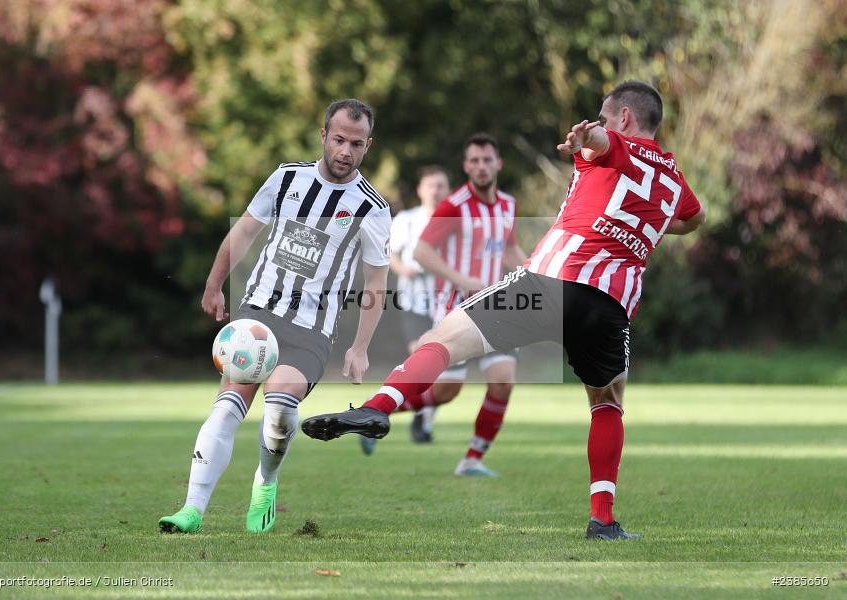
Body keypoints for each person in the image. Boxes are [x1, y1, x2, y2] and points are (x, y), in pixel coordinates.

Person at [302, 81, 706, 540]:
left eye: (605, 114)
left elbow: (602, 142)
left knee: (441, 341)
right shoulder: (673, 177)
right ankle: (603, 520)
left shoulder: (612, 143)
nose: (602, 121)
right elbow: (695, 219)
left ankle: (379, 406)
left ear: (626, 119)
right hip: (611, 304)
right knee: (608, 404)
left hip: (553, 280)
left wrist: (584, 138)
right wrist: (649, 227)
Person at [159, 98, 391, 534]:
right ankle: (191, 509)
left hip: (311, 330)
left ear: (368, 146)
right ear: (323, 135)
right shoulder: (287, 179)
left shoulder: (372, 208)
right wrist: (213, 284)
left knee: (280, 405)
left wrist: (360, 348)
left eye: (356, 144)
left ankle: (265, 482)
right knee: (227, 410)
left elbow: (376, 283)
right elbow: (244, 231)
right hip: (257, 319)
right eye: (339, 139)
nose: (345, 151)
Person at [361, 135, 528, 479]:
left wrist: (534, 274)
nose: (481, 166)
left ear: (498, 164)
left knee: (503, 381)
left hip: (498, 309)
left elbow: (509, 250)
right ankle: (378, 415)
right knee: (444, 392)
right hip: (458, 310)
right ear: (466, 167)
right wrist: (463, 279)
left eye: (487, 160)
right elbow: (422, 252)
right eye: (475, 161)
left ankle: (472, 459)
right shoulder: (454, 205)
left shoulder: (508, 205)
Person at [386, 165, 450, 443]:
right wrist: (404, 270)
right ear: (420, 190)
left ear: (448, 190)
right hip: (414, 301)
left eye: (440, 186)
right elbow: (390, 255)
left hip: (446, 303)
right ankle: (413, 414)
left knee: (439, 367)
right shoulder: (407, 219)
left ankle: (422, 418)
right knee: (419, 359)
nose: (435, 191)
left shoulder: (456, 220)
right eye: (430, 186)